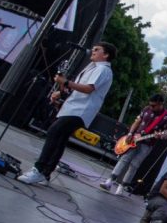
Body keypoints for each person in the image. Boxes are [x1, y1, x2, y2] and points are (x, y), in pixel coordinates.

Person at [17, 42, 115, 185]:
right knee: (60, 139)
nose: (92, 51)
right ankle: (45, 173)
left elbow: (88, 89)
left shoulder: (103, 70)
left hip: (81, 110)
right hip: (73, 107)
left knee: (54, 132)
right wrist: (61, 92)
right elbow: (78, 88)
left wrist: (66, 82)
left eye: (97, 50)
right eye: (93, 49)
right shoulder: (92, 67)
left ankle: (39, 170)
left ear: (105, 55)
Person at [100, 93, 167, 194]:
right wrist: (130, 133)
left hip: (148, 144)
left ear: (160, 104)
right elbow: (137, 122)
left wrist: (160, 135)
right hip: (134, 138)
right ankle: (109, 181)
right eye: (150, 105)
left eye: (153, 105)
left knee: (134, 165)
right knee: (124, 159)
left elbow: (166, 134)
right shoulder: (146, 109)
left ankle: (122, 187)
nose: (151, 107)